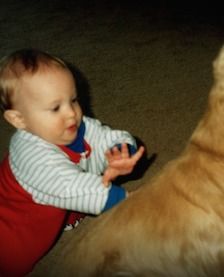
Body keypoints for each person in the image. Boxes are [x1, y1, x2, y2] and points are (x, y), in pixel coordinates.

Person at [0, 48, 144, 276]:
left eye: (73, 100)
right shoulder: (32, 157)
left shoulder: (71, 126)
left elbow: (102, 136)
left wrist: (119, 151)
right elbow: (73, 188)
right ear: (19, 119)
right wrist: (133, 203)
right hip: (9, 238)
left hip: (56, 210)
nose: (72, 113)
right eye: (55, 107)